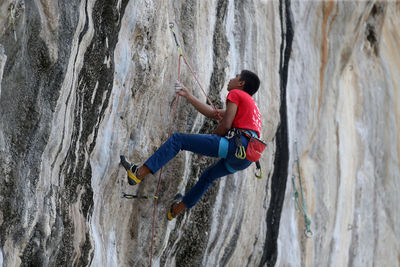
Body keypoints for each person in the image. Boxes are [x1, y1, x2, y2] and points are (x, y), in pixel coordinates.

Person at [120, 70, 261, 220]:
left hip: (236, 146)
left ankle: (138, 173)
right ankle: (176, 209)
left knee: (178, 140)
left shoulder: (236, 94)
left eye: (236, 77)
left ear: (241, 83)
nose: (231, 79)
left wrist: (208, 145)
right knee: (208, 176)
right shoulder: (251, 107)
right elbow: (213, 113)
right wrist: (188, 95)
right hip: (247, 158)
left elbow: (225, 125)